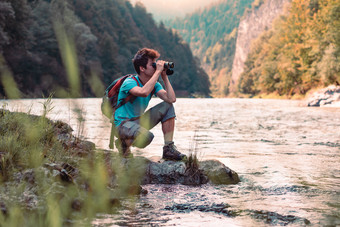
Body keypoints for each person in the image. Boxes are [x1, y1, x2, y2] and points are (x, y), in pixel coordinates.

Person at [113, 47, 186, 160]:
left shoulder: (155, 84)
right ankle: (123, 144)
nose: (156, 66)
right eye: (153, 64)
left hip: (138, 122)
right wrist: (157, 72)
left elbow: (171, 99)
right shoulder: (130, 82)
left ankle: (168, 149)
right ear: (142, 68)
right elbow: (143, 92)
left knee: (168, 106)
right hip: (122, 125)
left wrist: (164, 77)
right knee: (146, 137)